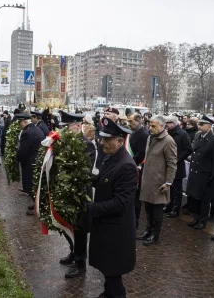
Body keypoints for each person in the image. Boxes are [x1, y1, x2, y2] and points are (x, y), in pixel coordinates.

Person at [88, 117, 138, 298]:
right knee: (108, 268)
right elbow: (104, 181)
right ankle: (108, 293)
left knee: (113, 271)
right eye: (102, 138)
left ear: (119, 141)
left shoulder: (126, 166)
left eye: (107, 140)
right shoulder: (112, 158)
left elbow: (120, 203)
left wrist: (92, 208)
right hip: (107, 225)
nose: (102, 143)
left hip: (116, 229)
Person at [57, 111, 96, 278]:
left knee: (79, 229)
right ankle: (73, 253)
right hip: (68, 191)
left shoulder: (86, 144)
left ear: (78, 126)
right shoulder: (67, 141)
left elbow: (83, 171)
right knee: (69, 226)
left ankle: (80, 264)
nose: (64, 131)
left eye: (67, 127)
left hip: (79, 193)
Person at [137, 115, 177, 245]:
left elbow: (172, 163)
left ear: (162, 126)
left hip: (159, 182)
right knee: (148, 208)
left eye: (153, 126)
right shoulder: (150, 137)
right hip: (148, 180)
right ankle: (148, 230)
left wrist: (168, 182)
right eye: (149, 125)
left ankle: (155, 234)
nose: (150, 128)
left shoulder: (168, 141)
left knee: (157, 211)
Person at [186, 115, 214, 230]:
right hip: (195, 171)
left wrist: (213, 175)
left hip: (206, 174)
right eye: (199, 124)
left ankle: (202, 220)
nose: (200, 126)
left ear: (209, 126)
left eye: (202, 124)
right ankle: (196, 218)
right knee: (195, 197)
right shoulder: (197, 136)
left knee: (204, 199)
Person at [164, 115, 193, 218]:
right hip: (169, 164)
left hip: (177, 165)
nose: (166, 125)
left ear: (173, 123)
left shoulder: (182, 134)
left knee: (177, 189)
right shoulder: (168, 133)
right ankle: (169, 205)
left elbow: (189, 149)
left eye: (168, 123)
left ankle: (176, 209)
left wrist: (178, 159)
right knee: (169, 187)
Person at [16, 113, 45, 209]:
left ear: (24, 122)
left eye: (20, 122)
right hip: (37, 160)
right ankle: (37, 204)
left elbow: (23, 150)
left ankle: (37, 206)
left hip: (30, 162)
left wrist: (17, 159)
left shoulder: (27, 132)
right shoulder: (36, 128)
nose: (19, 124)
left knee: (31, 184)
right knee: (35, 184)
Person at [127, 113, 149, 228]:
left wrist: (129, 164)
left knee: (136, 197)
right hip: (131, 167)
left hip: (137, 169)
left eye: (130, 121)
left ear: (137, 121)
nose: (128, 123)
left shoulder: (143, 135)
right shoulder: (132, 132)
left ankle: (135, 221)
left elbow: (140, 154)